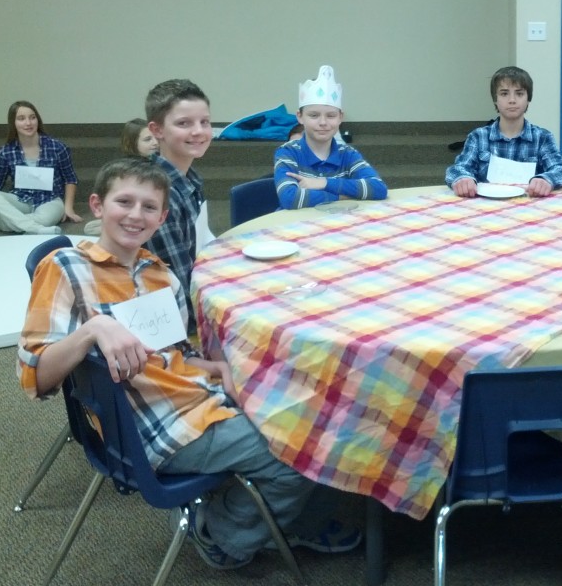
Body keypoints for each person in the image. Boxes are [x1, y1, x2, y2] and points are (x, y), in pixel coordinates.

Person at [18, 157, 361, 570]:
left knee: (319, 405)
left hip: (197, 395)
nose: (135, 215)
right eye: (124, 202)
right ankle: (223, 535)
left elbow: (176, 352)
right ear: (97, 205)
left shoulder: (159, 274)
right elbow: (35, 377)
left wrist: (216, 368)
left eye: (149, 207)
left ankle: (285, 513)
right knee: (302, 449)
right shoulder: (65, 267)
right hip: (154, 427)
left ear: (162, 218)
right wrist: (93, 329)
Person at [142, 80, 214, 338]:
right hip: (173, 327)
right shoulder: (159, 195)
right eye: (184, 123)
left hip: (193, 294)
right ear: (157, 130)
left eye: (204, 122)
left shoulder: (189, 178)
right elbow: (179, 288)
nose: (199, 131)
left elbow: (199, 243)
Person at [445, 66, 562, 198]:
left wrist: (546, 179)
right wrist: (463, 178)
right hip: (487, 206)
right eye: (504, 94)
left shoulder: (542, 138)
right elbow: (458, 168)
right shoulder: (478, 137)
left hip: (529, 205)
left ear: (528, 99)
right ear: (495, 99)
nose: (512, 100)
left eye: (519, 94)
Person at [274, 65, 388, 208]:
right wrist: (342, 196)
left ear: (340, 118)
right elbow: (290, 198)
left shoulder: (347, 153)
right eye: (314, 115)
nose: (323, 122)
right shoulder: (288, 152)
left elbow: (379, 188)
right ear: (300, 117)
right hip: (297, 222)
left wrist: (323, 183)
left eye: (331, 116)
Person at [0, 100, 81, 235]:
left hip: (50, 200)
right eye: (21, 119)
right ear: (13, 123)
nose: (28, 123)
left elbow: (70, 179)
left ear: (38, 120)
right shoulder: (6, 152)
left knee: (45, 219)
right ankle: (35, 229)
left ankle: (10, 223)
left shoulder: (57, 147)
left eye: (32, 117)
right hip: (20, 199)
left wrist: (68, 208)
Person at [84, 118, 160, 236]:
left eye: (156, 138)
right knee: (90, 228)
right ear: (133, 143)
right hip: (127, 214)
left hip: (150, 215)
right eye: (147, 139)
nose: (155, 143)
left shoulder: (160, 163)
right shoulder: (123, 169)